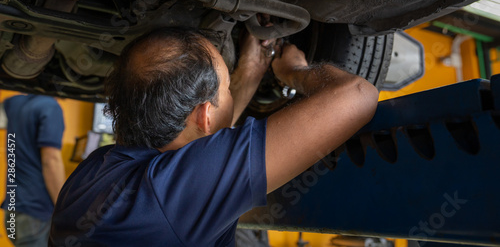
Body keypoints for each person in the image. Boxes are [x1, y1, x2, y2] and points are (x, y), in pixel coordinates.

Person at [49, 26, 378, 246]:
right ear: (205, 116)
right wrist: (295, 71)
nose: (230, 93)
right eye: (226, 89)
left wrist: (250, 71)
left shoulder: (97, 170)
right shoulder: (171, 197)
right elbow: (358, 95)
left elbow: (196, 147)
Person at [2, 94, 65, 247]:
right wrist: (64, 208)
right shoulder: (50, 107)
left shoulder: (13, 102)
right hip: (36, 213)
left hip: (12, 211)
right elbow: (50, 160)